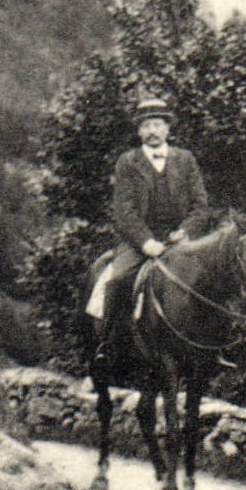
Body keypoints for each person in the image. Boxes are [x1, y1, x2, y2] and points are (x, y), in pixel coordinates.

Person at [89, 97, 210, 371]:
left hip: (179, 241)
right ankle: (106, 344)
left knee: (212, 278)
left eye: (157, 124)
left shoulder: (185, 159)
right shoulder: (128, 162)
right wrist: (146, 242)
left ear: (168, 129)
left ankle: (213, 349)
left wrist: (185, 231)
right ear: (139, 131)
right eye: (146, 126)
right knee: (117, 278)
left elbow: (201, 206)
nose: (152, 131)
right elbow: (124, 211)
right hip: (139, 242)